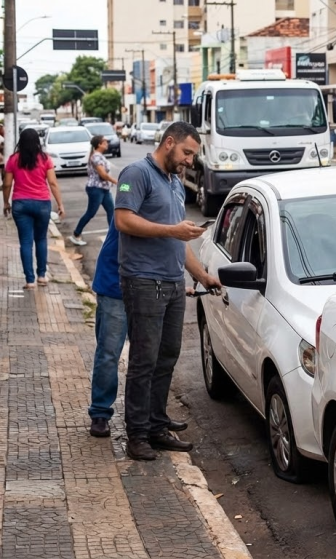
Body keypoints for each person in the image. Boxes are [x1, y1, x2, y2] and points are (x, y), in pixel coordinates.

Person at [114, 121, 221, 461]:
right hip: (144, 282)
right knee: (144, 361)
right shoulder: (137, 173)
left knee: (167, 356)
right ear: (169, 142)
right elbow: (123, 220)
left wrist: (203, 276)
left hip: (174, 284)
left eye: (193, 155)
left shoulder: (175, 183)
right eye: (187, 153)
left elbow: (178, 241)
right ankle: (137, 434)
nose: (190, 161)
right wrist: (172, 230)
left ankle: (157, 425)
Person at [88, 222, 192, 438]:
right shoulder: (134, 197)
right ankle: (100, 413)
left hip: (149, 291)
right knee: (109, 353)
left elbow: (177, 244)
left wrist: (186, 281)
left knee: (150, 356)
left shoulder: (170, 194)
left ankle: (152, 418)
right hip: (115, 287)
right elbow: (133, 227)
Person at [2, 128, 66, 289]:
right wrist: (60, 204)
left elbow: (7, 184)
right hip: (42, 204)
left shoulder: (13, 159)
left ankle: (29, 280)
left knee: (25, 242)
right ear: (37, 141)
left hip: (21, 204)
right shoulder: (45, 159)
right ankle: (42, 276)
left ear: (20, 141)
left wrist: (6, 203)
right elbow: (53, 183)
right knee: (41, 239)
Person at [69, 135, 118, 246]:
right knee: (91, 212)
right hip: (96, 189)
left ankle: (114, 236)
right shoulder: (96, 157)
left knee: (112, 211)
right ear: (99, 144)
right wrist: (116, 182)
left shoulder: (99, 156)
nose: (107, 143)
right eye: (105, 141)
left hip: (104, 188)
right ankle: (76, 234)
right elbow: (103, 174)